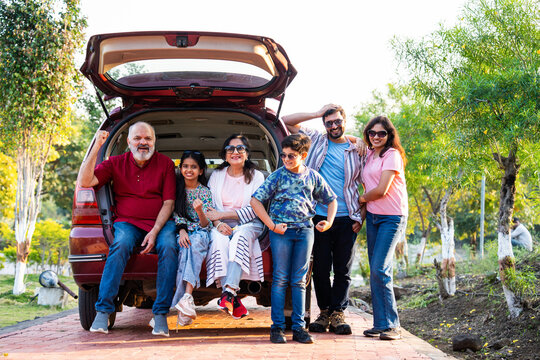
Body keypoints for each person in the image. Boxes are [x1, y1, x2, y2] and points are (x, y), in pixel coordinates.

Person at [80, 122, 178, 337]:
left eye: (148, 138)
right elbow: (85, 181)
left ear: (154, 141)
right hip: (127, 222)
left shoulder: (165, 164)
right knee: (121, 244)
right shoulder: (114, 163)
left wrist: (154, 231)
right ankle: (103, 311)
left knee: (170, 246)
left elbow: (168, 203)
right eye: (138, 138)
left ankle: (160, 314)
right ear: (129, 141)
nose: (143, 142)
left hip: (160, 223)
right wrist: (97, 146)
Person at [283, 104, 364, 335]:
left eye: (337, 121)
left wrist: (362, 216)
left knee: (342, 268)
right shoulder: (316, 140)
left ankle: (338, 313)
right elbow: (288, 120)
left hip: (347, 216)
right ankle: (325, 312)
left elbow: (364, 184)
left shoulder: (357, 148)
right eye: (329, 122)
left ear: (345, 121)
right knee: (319, 268)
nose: (334, 126)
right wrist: (318, 113)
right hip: (317, 215)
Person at [251, 134, 337, 344]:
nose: (286, 159)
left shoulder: (313, 177)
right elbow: (255, 200)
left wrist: (329, 222)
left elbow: (332, 200)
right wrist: (271, 225)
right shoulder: (278, 176)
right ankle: (277, 328)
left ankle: (299, 328)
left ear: (303, 155)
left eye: (291, 156)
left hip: (305, 232)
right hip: (281, 233)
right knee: (280, 279)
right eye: (283, 155)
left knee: (299, 281)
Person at [204, 134, 265, 319]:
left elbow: (254, 210)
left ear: (247, 154)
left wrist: (222, 215)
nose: (235, 152)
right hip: (220, 225)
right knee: (217, 240)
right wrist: (218, 223)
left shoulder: (257, 176)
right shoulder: (216, 175)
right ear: (225, 154)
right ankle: (230, 297)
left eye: (240, 148)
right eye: (230, 149)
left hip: (249, 224)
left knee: (239, 236)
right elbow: (209, 207)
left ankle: (229, 291)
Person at [360, 116, 408, 341]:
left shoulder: (393, 155)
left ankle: (393, 325)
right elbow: (349, 139)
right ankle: (380, 324)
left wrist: (360, 199)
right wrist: (359, 141)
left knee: (380, 269)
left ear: (389, 135)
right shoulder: (370, 153)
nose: (376, 137)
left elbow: (381, 190)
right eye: (372, 133)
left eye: (381, 133)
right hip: (374, 217)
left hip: (392, 217)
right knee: (375, 270)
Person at [170, 151, 214, 327]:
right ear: (180, 169)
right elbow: (176, 216)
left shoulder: (205, 192)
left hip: (200, 233)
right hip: (183, 232)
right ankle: (185, 305)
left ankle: (186, 296)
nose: (189, 170)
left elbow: (206, 224)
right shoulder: (176, 190)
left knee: (194, 245)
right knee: (184, 252)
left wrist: (200, 211)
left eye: (193, 167)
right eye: (186, 166)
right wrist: (181, 232)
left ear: (201, 171)